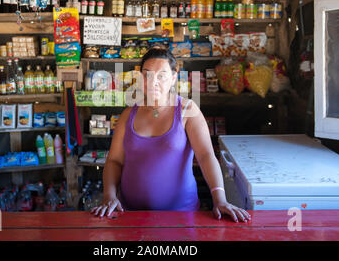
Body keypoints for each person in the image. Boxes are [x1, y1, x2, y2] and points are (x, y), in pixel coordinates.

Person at [91, 49, 251, 222]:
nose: (153, 82)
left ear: (174, 78)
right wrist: (109, 195)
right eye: (148, 75)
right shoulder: (128, 115)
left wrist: (220, 199)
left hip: (180, 215)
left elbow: (205, 156)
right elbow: (115, 160)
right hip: (129, 214)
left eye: (161, 76)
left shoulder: (187, 110)